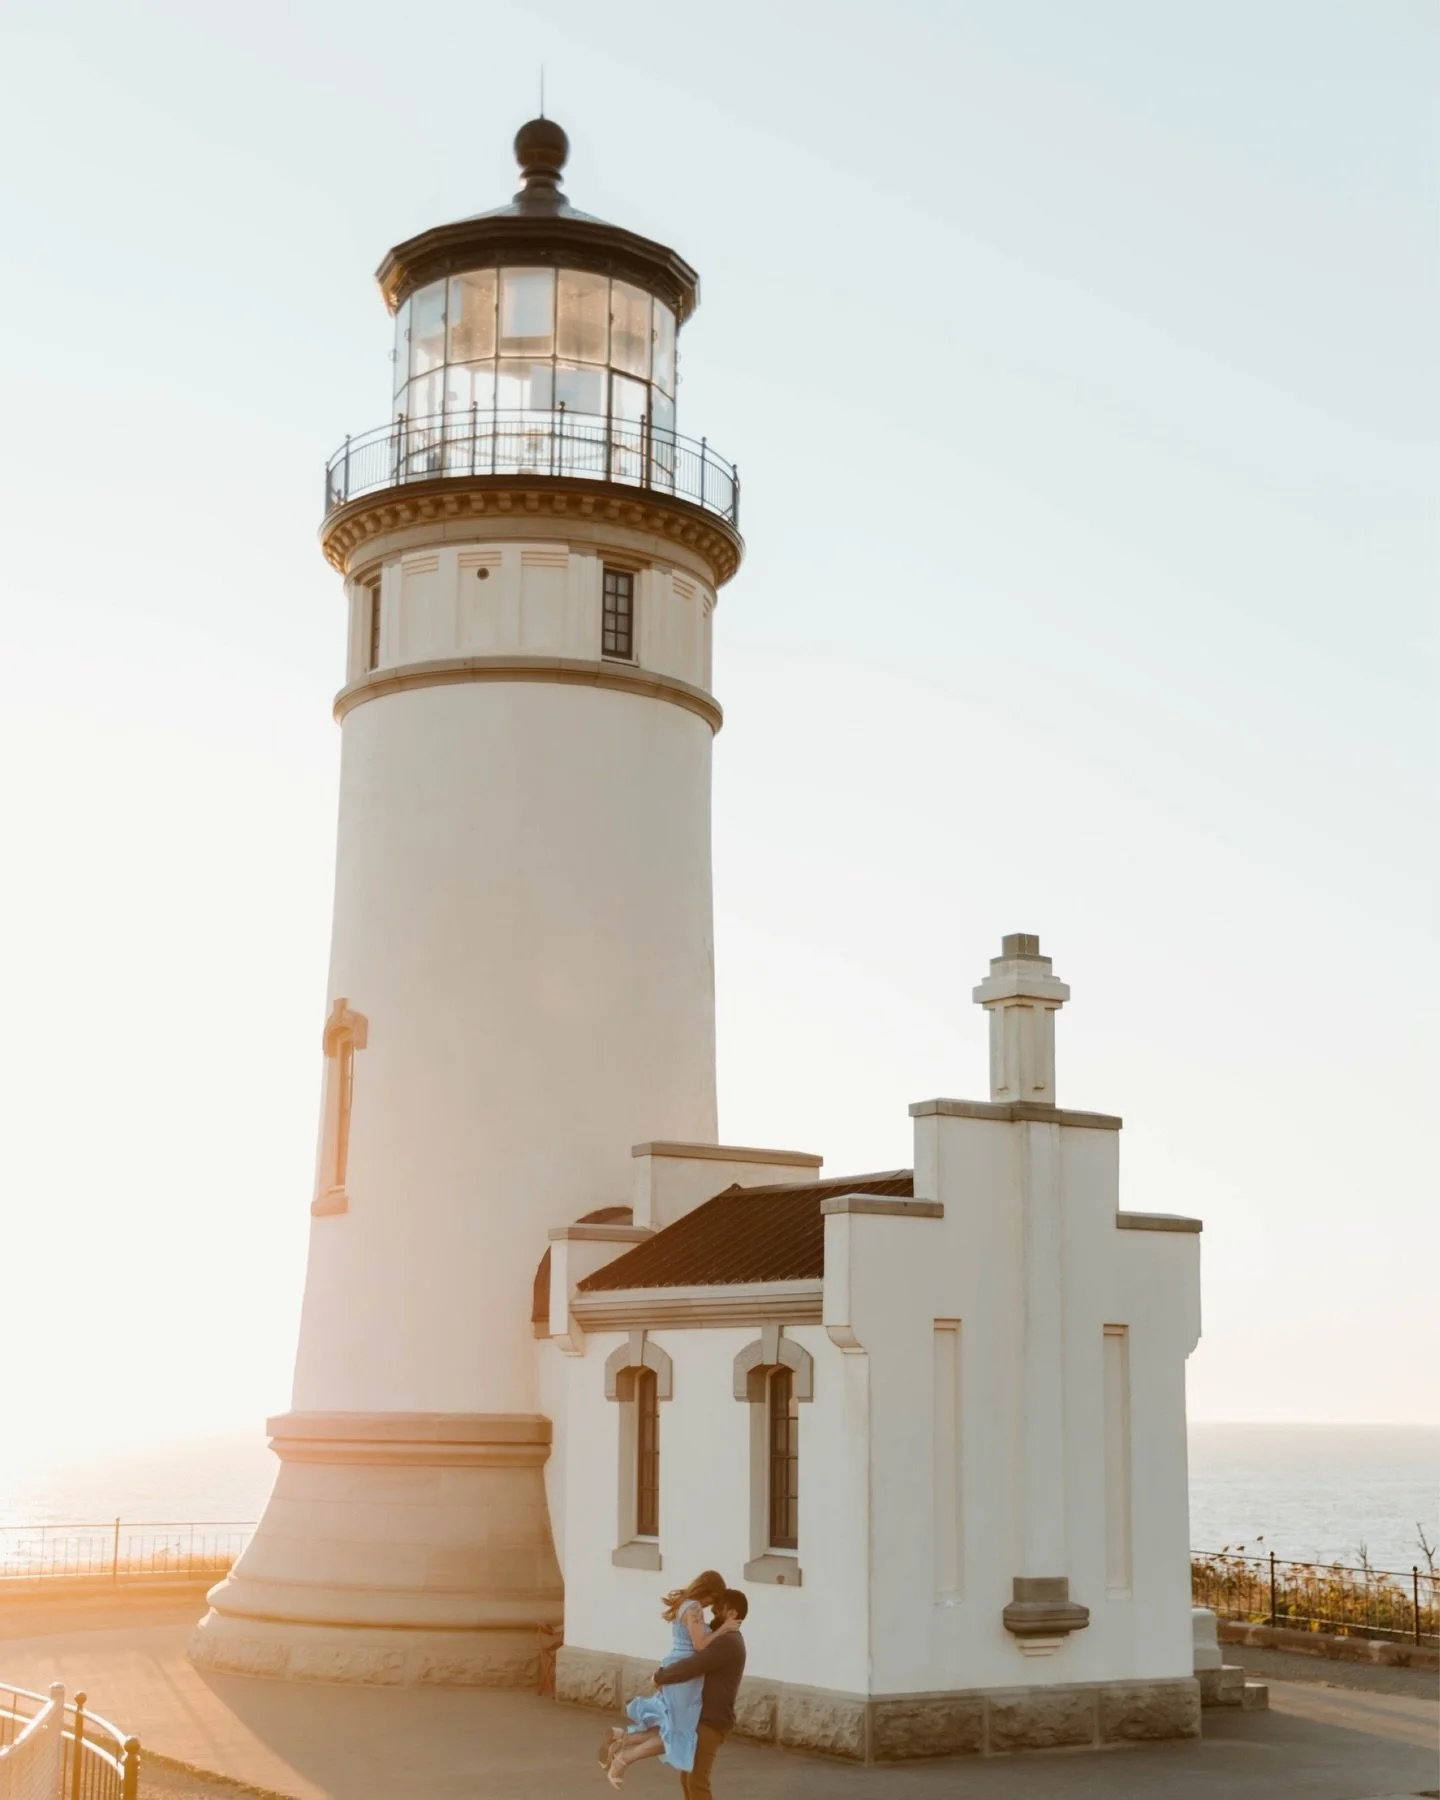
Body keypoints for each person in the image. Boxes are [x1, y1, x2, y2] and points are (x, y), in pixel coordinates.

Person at [599, 1571, 737, 1788]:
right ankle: (622, 1759)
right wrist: (723, 1629)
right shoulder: (694, 1608)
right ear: (709, 1592)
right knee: (676, 1732)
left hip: (675, 1667)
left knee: (667, 1724)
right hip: (684, 1676)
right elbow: (700, 1646)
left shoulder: (684, 1603)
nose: (712, 1605)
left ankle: (621, 1739)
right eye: (714, 1599)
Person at [652, 1588, 748, 1799]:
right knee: (688, 1779)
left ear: (731, 1614)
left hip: (711, 1722)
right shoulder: (726, 1639)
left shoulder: (728, 1642)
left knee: (697, 1782)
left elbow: (695, 1665)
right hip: (703, 1719)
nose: (712, 1613)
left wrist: (661, 1676)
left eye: (718, 1609)